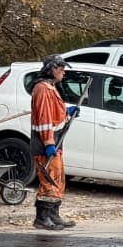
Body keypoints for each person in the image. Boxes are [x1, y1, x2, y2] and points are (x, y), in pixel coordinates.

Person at [29, 54, 80, 231]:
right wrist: (48, 143)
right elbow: (44, 119)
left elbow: (53, 113)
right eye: (61, 69)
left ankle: (53, 214)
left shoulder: (50, 88)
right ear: (52, 69)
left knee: (57, 178)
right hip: (45, 142)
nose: (63, 73)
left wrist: (66, 112)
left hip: (54, 140)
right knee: (48, 180)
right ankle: (42, 218)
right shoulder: (42, 89)